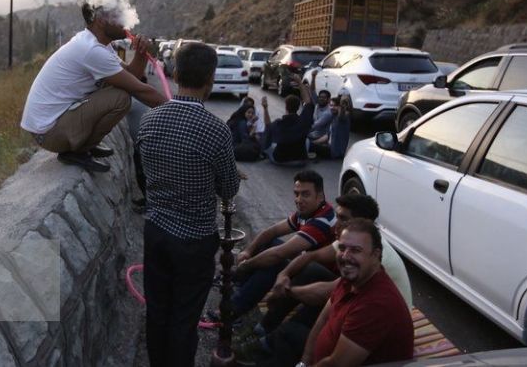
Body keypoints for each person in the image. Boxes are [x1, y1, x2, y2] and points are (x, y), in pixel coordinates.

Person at [137, 42, 242, 367]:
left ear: (176, 73)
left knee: (157, 312)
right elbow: (228, 189)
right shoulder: (216, 131)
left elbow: (142, 175)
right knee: (184, 320)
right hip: (195, 241)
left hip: (155, 233)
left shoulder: (149, 122)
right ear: (210, 79)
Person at [236, 194, 412, 366]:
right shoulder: (353, 263)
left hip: (370, 328)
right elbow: (311, 260)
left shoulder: (374, 300)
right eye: (343, 248)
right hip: (351, 319)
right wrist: (284, 277)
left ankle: (261, 339)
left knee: (289, 333)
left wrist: (286, 290)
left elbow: (337, 362)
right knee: (309, 274)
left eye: (343, 218)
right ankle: (265, 337)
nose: (336, 224)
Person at [21, 3, 166, 172]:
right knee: (120, 98)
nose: (125, 21)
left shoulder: (100, 45)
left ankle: (84, 146)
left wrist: (141, 54)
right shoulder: (91, 50)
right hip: (48, 133)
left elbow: (131, 76)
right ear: (100, 20)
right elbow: (138, 89)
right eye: (118, 15)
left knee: (118, 90)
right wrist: (179, 111)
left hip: (52, 125)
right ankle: (79, 150)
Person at [208, 170, 335, 324]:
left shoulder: (323, 220)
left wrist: (246, 266)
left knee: (275, 263)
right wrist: (248, 251)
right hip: (308, 265)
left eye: (305, 194)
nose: (299, 200)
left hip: (323, 278)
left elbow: (279, 254)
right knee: (268, 244)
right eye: (296, 194)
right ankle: (238, 284)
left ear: (320, 196)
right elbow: (272, 231)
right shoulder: (308, 211)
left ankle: (232, 310)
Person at [300, 220, 414, 366]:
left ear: (375, 255)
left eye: (355, 250)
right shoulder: (353, 277)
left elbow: (337, 364)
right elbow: (322, 319)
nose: (345, 256)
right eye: (342, 248)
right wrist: (304, 361)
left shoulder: (377, 305)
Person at [261, 75, 314, 164]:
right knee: (307, 140)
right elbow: (308, 102)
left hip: (281, 159)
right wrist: (299, 82)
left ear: (286, 106)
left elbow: (268, 126)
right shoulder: (303, 120)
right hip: (300, 159)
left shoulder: (278, 123)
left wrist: (265, 108)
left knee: (269, 145)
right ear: (298, 108)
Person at [309, 95, 352, 160]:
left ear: (340, 107)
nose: (332, 107)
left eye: (335, 106)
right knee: (309, 143)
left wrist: (342, 103)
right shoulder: (333, 117)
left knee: (307, 145)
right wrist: (313, 143)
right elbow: (327, 136)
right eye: (331, 105)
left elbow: (342, 114)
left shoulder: (343, 118)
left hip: (334, 152)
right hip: (329, 147)